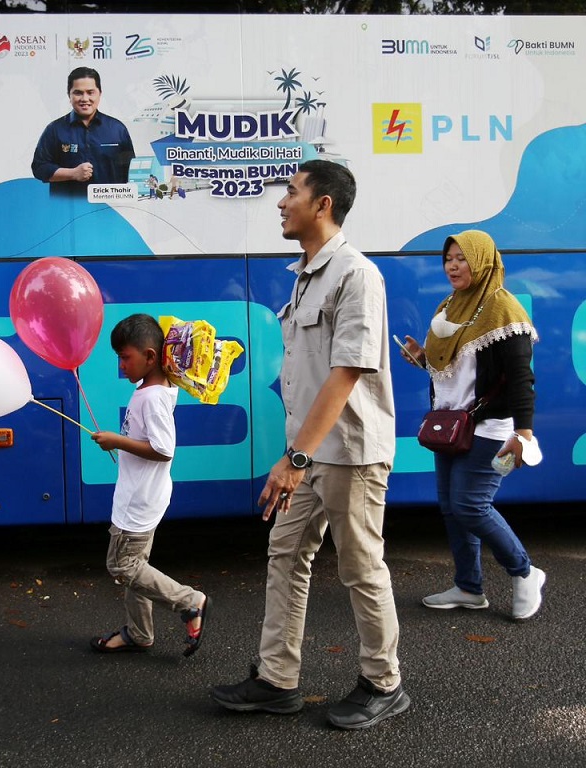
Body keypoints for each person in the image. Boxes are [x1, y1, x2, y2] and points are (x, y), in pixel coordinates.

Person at [209, 160, 408, 729]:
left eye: (291, 192)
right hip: (308, 452)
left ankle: (383, 682)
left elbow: (344, 375)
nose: (281, 201)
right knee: (286, 554)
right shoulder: (305, 275)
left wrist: (294, 458)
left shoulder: (356, 274)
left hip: (349, 453)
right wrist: (297, 453)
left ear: (323, 204)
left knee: (361, 567)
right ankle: (277, 680)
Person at [397, 230, 545, 620]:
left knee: (470, 505)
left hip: (491, 428)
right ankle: (468, 586)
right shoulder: (452, 305)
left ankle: (525, 571)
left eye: (462, 258)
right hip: (451, 425)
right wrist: (424, 359)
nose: (452, 265)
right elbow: (455, 372)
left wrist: (523, 434)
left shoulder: (504, 310)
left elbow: (520, 378)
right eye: (448, 258)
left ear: (482, 261)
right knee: (451, 507)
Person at [89, 313, 210, 657]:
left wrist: (117, 440)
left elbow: (162, 449)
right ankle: (139, 632)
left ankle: (190, 601)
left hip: (138, 501)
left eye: (125, 357)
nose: (121, 365)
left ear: (151, 356)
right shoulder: (154, 390)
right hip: (144, 495)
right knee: (136, 568)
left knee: (122, 566)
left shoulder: (151, 398)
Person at [31, 67, 135, 195]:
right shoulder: (54, 130)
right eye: (78, 93)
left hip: (109, 209)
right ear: (69, 95)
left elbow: (132, 172)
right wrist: (73, 174)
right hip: (68, 209)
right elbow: (39, 168)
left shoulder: (117, 129)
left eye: (90, 92)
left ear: (100, 93)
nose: (85, 99)